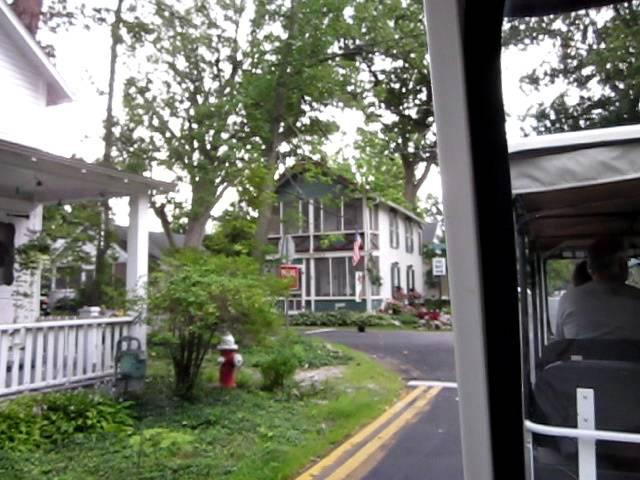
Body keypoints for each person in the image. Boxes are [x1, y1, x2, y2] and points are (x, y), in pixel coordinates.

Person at [555, 237, 640, 340]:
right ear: (621, 264)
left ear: (590, 268)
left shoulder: (568, 299)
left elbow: (561, 343)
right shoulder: (636, 298)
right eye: (626, 261)